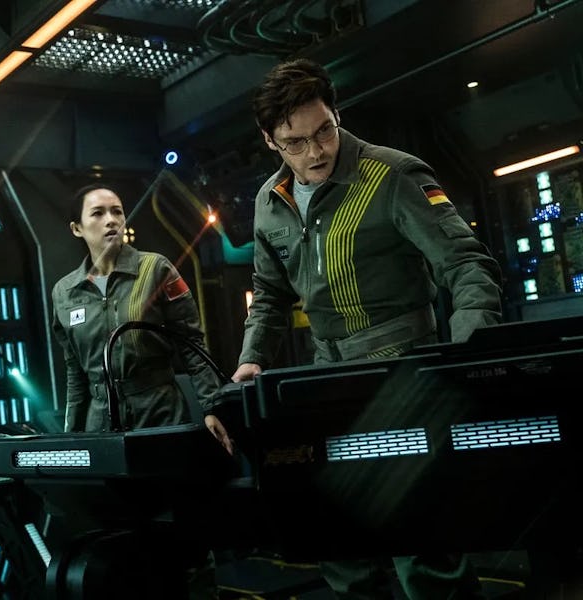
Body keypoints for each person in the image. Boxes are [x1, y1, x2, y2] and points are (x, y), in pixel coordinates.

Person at [231, 58, 502, 599]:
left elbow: (466, 265)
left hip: (402, 371)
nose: (316, 152)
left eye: (324, 131)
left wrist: (467, 357)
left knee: (422, 541)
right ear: (270, 141)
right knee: (342, 541)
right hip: (326, 378)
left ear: (337, 115)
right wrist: (252, 358)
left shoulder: (393, 174)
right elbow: (270, 293)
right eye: (295, 142)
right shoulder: (268, 202)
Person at [51, 184, 233, 598]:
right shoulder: (64, 291)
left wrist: (213, 407)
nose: (111, 220)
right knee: (121, 537)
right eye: (98, 213)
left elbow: (193, 346)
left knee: (183, 533)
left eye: (117, 211)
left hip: (159, 413)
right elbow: (74, 371)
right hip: (101, 425)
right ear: (77, 228)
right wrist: (72, 438)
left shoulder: (155, 269)